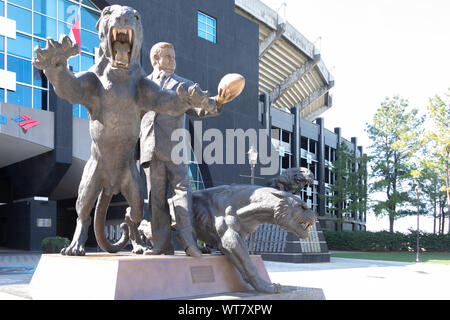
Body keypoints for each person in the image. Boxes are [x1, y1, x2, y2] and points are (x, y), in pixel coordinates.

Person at [141, 42, 231, 257]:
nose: (173, 60)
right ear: (156, 59)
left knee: (182, 194)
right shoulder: (143, 85)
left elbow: (201, 108)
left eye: (173, 56)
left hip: (175, 149)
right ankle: (161, 244)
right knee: (156, 199)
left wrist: (218, 102)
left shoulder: (183, 84)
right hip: (150, 148)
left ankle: (189, 242)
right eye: (168, 56)